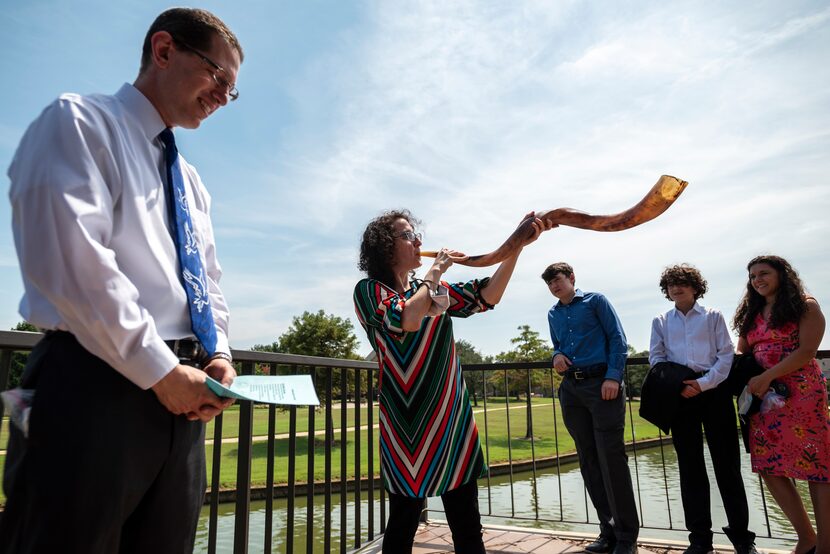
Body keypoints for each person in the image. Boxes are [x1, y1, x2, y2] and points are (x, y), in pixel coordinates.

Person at [1, 8, 241, 553]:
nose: (223, 96)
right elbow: (70, 261)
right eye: (218, 76)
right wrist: (159, 369)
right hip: (93, 386)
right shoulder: (80, 122)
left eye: (232, 90)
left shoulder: (191, 180)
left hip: (184, 396)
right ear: (163, 51)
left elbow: (206, 277)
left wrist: (217, 351)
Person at [354, 210, 552, 553]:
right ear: (385, 248)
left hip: (451, 420)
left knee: (466, 525)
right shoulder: (369, 291)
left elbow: (488, 296)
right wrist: (436, 271)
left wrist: (517, 246)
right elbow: (407, 319)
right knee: (403, 523)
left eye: (416, 234)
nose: (418, 241)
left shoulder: (427, 287)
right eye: (407, 236)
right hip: (407, 429)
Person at [649, 265, 757, 554]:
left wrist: (704, 383)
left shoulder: (713, 316)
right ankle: (699, 540)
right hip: (680, 395)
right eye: (671, 284)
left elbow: (726, 355)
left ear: (696, 287)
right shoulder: (660, 321)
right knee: (690, 468)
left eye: (682, 282)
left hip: (715, 393)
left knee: (728, 467)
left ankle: (742, 540)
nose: (676, 287)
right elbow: (656, 359)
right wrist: (678, 386)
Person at [734, 255, 829, 554]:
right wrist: (749, 374)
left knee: (818, 468)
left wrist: (768, 376)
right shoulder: (753, 311)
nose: (757, 280)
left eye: (764, 273)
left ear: (782, 274)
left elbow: (807, 351)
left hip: (802, 394)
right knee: (769, 466)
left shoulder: (806, 305)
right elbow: (743, 347)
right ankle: (806, 537)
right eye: (752, 276)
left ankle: (825, 546)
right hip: (763, 400)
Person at [542, 262, 638, 554]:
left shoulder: (596, 301)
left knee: (611, 459)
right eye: (549, 284)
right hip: (571, 390)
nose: (554, 287)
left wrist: (613, 376)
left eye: (557, 280)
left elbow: (618, 340)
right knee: (588, 460)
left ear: (571, 278)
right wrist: (556, 354)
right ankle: (607, 531)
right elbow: (558, 344)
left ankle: (626, 538)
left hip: (602, 386)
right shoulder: (553, 313)